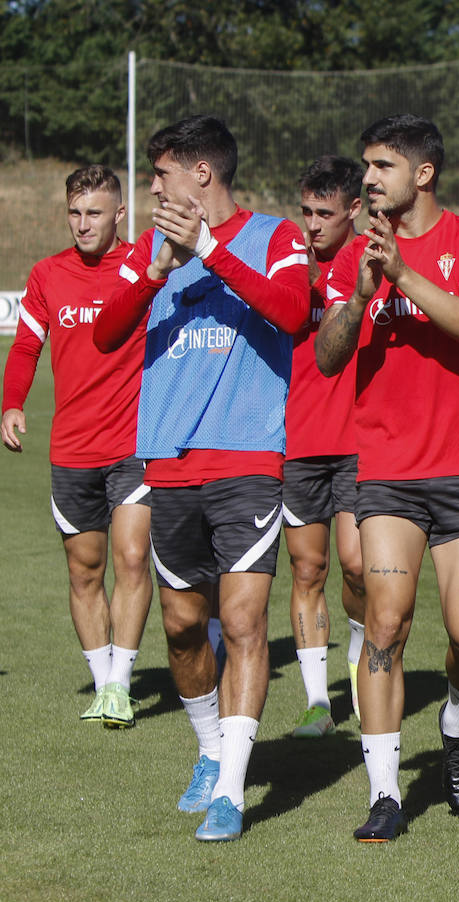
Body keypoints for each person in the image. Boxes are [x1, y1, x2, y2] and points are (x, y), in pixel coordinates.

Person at [93, 115, 310, 841]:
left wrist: (211, 253)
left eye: (160, 174)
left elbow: (291, 311)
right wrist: (158, 266)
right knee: (184, 628)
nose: (152, 186)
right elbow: (104, 333)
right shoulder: (147, 253)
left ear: (201, 174)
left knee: (244, 622)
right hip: (168, 464)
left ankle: (233, 789)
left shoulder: (275, 237)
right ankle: (209, 752)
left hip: (248, 458)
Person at [315, 114, 459, 842]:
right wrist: (363, 294)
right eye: (366, 165)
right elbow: (331, 358)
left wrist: (403, 275)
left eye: (383, 166)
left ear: (423, 174)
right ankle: (386, 794)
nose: (368, 179)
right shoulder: (350, 255)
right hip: (389, 472)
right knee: (386, 624)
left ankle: (457, 721)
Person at [2, 164, 152, 728]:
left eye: (94, 213)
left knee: (132, 558)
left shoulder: (145, 266)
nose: (83, 223)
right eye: (74, 212)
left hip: (133, 444)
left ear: (119, 214)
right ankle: (101, 682)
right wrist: (11, 403)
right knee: (84, 571)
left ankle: (119, 685)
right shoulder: (46, 275)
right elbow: (24, 349)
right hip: (71, 450)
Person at [283, 155, 367, 737]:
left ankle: (363, 672)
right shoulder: (285, 266)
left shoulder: (372, 260)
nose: (313, 224)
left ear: (354, 211)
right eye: (307, 211)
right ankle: (318, 702)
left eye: (326, 213)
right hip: (298, 441)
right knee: (307, 567)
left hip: (361, 439)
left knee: (359, 567)